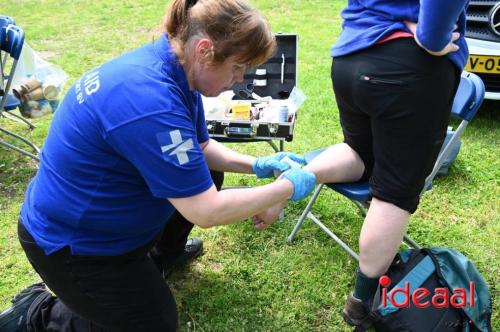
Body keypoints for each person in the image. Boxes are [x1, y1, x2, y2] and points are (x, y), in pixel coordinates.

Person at [0, 0, 317, 331]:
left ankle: (159, 259)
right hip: (73, 244)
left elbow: (201, 147)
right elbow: (206, 211)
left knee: (207, 171)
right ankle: (37, 315)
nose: (239, 80)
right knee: (154, 323)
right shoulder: (151, 102)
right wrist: (287, 187)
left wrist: (260, 164)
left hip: (102, 216)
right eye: (237, 67)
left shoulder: (177, 68)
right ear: (205, 50)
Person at [253, 0, 470, 327]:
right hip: (407, 64)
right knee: (393, 193)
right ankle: (362, 302)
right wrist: (432, 38)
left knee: (358, 151)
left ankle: (291, 182)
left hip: (351, 55)